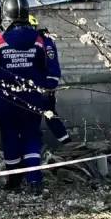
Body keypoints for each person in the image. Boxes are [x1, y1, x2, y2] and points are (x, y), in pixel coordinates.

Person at [0, 0, 57, 196]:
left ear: (6, 16)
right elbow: (50, 70)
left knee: (9, 137)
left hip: (5, 100)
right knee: (31, 135)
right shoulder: (41, 40)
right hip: (32, 99)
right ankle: (34, 180)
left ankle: (14, 180)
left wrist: (0, 86)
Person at [29, 13, 70, 146]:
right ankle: (66, 142)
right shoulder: (45, 40)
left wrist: (47, 85)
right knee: (50, 115)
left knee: (36, 117)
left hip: (43, 86)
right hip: (46, 85)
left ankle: (36, 147)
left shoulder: (41, 42)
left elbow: (49, 64)